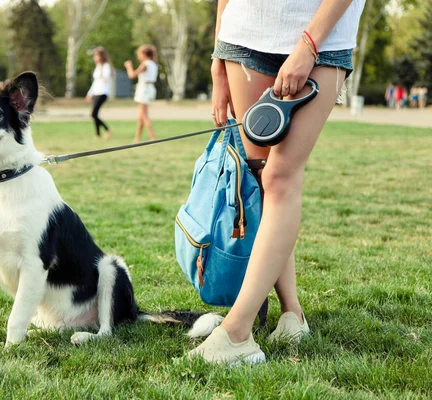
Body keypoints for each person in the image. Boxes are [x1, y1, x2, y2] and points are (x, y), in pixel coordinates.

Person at [189, 0, 366, 365]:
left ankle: (237, 333)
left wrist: (307, 46)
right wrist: (218, 60)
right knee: (261, 178)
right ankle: (292, 315)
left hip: (324, 41)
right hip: (244, 36)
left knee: (280, 177)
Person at [124, 45, 158, 142]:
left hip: (144, 89)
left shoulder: (145, 64)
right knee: (140, 115)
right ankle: (137, 137)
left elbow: (132, 75)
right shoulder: (153, 64)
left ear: (144, 54)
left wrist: (128, 66)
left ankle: (153, 137)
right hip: (149, 87)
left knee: (144, 115)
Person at [86, 47, 112, 140]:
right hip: (96, 92)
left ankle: (107, 129)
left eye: (97, 55)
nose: (95, 58)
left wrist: (102, 72)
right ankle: (98, 135)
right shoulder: (97, 67)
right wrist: (90, 93)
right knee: (95, 114)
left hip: (103, 92)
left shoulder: (106, 66)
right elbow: (95, 82)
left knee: (93, 114)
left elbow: (105, 79)